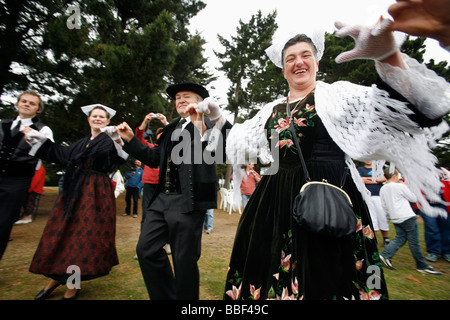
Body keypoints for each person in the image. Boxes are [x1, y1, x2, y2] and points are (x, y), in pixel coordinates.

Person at [223, 17, 449, 300]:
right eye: (290, 58)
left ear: (317, 61)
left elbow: (408, 112)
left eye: (306, 55)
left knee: (328, 277)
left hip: (330, 197)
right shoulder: (270, 110)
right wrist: (210, 119)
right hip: (273, 204)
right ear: (283, 70)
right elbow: (234, 140)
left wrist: (387, 56)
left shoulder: (338, 96)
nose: (299, 62)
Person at [113, 81, 232, 300]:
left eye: (187, 96)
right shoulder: (169, 129)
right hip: (161, 199)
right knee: (146, 250)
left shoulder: (209, 124)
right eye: (178, 97)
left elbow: (225, 148)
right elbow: (153, 158)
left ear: (200, 101)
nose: (181, 100)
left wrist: (212, 119)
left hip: (191, 200)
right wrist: (130, 139)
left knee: (184, 260)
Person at [22, 104, 128, 299]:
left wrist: (117, 139)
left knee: (82, 238)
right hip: (73, 191)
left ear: (107, 121)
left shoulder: (110, 140)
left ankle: (73, 285)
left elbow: (120, 156)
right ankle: (55, 279)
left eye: (101, 117)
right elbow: (61, 155)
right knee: (63, 234)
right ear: (88, 119)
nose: (97, 119)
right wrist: (39, 140)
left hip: (95, 194)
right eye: (94, 116)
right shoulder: (81, 142)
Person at [0, 91, 53, 261]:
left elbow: (49, 153)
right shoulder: (3, 124)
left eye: (32, 103)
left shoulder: (43, 130)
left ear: (38, 109)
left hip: (16, 181)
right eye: (24, 101)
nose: (27, 104)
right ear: (17, 104)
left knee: (3, 224)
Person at [379, 168, 442, 275]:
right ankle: (422, 265)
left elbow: (384, 205)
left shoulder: (383, 188)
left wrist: (389, 216)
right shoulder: (400, 186)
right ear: (394, 176)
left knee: (400, 238)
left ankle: (385, 255)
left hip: (395, 217)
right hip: (406, 216)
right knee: (414, 242)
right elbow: (413, 198)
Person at [358, 161, 390, 246]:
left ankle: (386, 238)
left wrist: (367, 179)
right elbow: (360, 180)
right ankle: (373, 239)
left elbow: (384, 178)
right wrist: (375, 179)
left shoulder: (379, 169)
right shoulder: (360, 169)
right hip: (367, 197)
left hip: (379, 196)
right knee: (371, 218)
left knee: (382, 217)